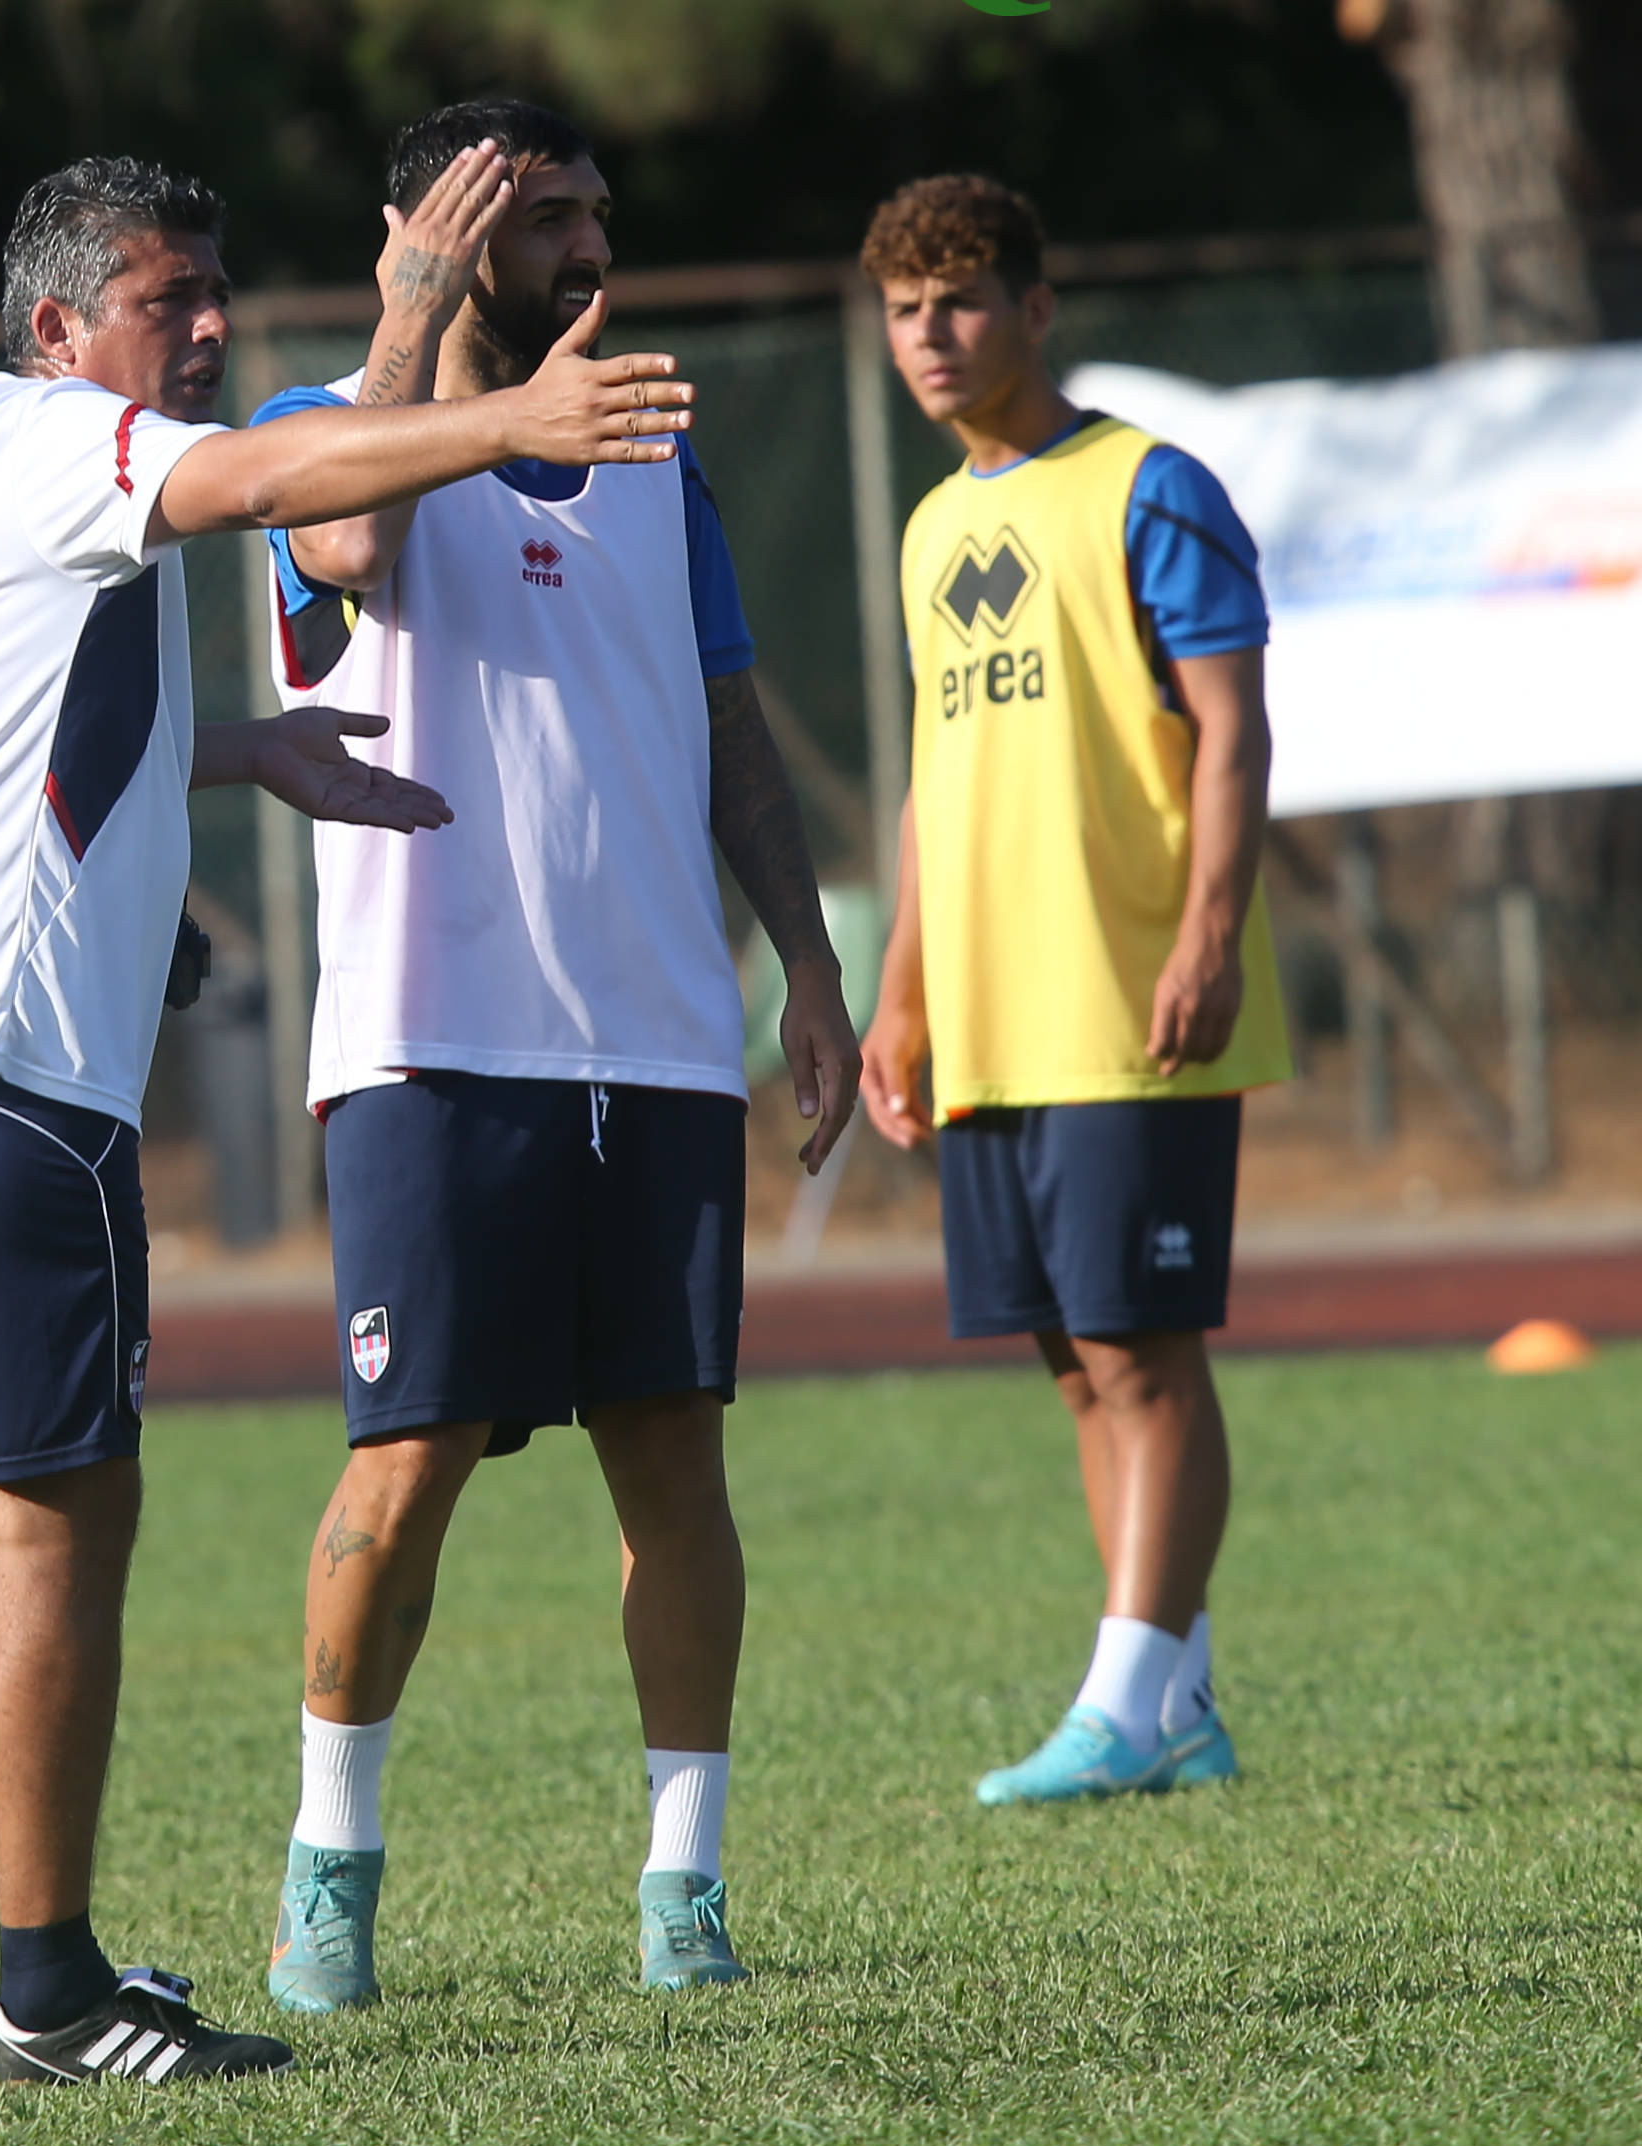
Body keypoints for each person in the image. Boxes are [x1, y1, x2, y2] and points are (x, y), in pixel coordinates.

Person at [0, 149, 704, 2094]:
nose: (211, 327)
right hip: (7, 1082)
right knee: (65, 1525)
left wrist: (232, 758)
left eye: (216, 290)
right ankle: (52, 1993)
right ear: (61, 325)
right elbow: (269, 482)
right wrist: (503, 408)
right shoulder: (63, 439)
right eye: (173, 298)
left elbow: (26, 722)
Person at [247, 100, 860, 2011]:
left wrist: (812, 968)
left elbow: (729, 727)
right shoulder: (301, 429)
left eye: (598, 210)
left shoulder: (660, 466)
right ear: (432, 228)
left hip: (662, 1046)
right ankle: (330, 1875)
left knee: (674, 1466)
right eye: (536, 215)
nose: (589, 247)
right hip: (433, 1044)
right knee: (404, 1465)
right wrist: (415, 314)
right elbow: (344, 538)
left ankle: (687, 1889)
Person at [856, 174, 1288, 1805]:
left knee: (1144, 1347)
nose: (931, 336)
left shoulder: (1147, 488)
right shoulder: (931, 525)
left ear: (1037, 310)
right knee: (1074, 1356)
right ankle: (1168, 1701)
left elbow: (1234, 732)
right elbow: (932, 782)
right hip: (991, 1008)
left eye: (961, 301)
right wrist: (900, 993)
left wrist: (1209, 932)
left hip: (1128, 992)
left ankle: (1123, 1701)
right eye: (905, 310)